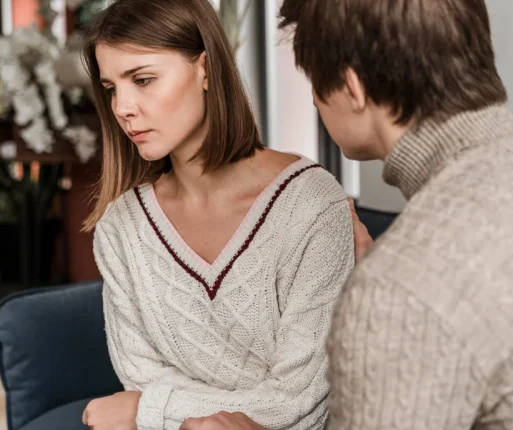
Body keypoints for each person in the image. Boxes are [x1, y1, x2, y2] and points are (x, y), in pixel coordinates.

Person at [188, 0, 513, 428]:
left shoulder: (400, 286)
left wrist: (386, 298)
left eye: (314, 84)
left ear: (352, 88)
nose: (312, 103)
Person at [78, 0, 374, 429]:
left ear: (204, 69)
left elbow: (303, 402)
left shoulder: (310, 204)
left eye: (142, 79)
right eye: (111, 89)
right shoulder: (120, 229)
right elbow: (140, 377)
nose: (122, 107)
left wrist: (148, 411)